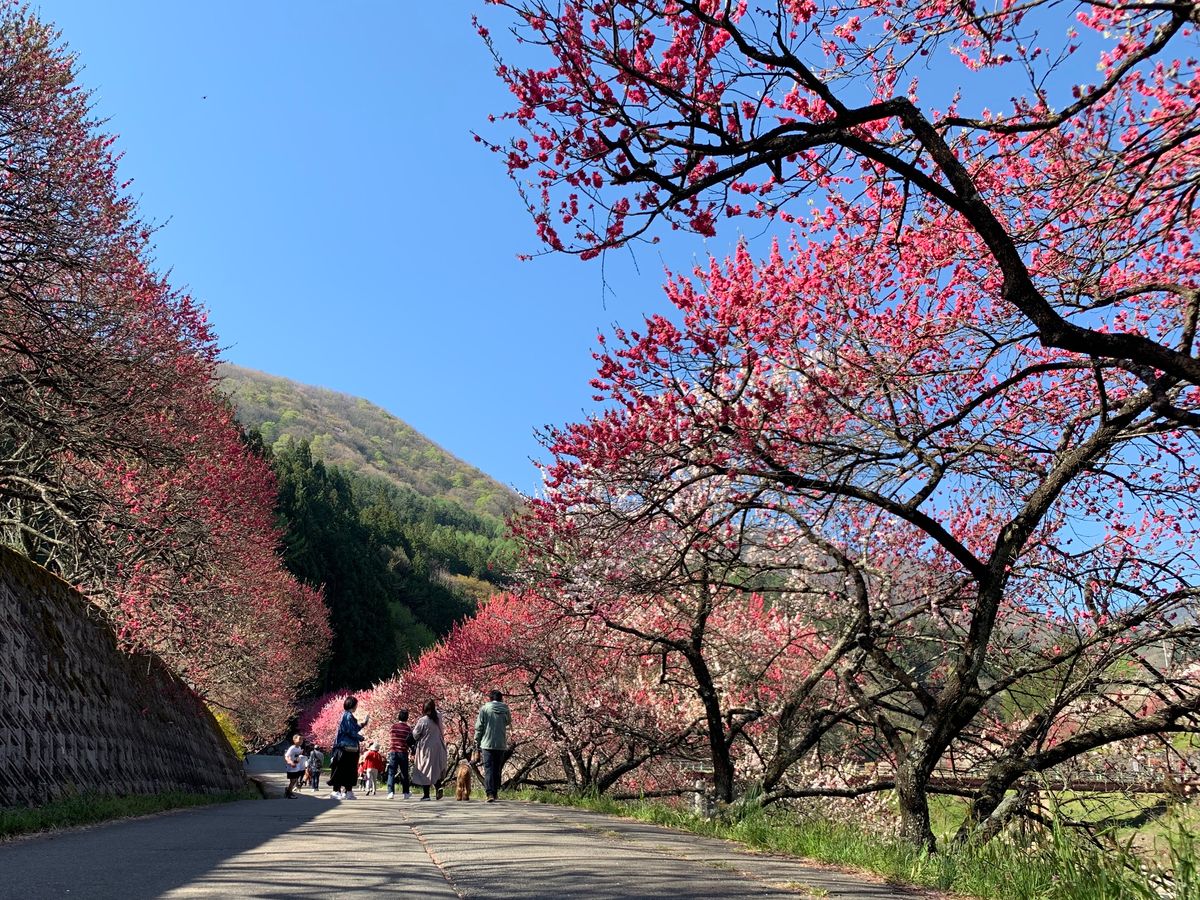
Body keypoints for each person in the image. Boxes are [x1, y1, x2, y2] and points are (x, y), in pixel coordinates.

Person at [474, 689, 512, 803]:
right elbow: (508, 721)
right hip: (500, 743)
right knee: (497, 769)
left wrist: (476, 740)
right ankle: (495, 793)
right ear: (501, 698)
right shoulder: (505, 709)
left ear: (490, 698)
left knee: (488, 769)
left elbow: (479, 726)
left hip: (487, 743)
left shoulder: (485, 709)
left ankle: (490, 793)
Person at [329, 695, 370, 800]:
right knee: (343, 769)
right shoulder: (347, 716)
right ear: (353, 704)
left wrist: (363, 724)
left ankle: (348, 791)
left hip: (349, 748)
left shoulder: (349, 716)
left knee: (349, 770)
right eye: (356, 704)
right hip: (344, 748)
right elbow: (350, 731)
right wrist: (361, 737)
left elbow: (354, 728)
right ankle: (337, 791)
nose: (357, 706)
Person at [411, 699, 448, 801]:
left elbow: (415, 735)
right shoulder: (439, 717)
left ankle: (426, 795)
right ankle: (438, 786)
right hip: (438, 746)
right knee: (435, 768)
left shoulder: (422, 720)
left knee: (424, 769)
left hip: (425, 747)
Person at [387, 708, 414, 800]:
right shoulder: (408, 728)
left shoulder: (393, 726)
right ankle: (406, 793)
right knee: (404, 773)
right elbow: (410, 740)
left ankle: (390, 792)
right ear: (407, 718)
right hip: (403, 752)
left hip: (393, 752)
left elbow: (391, 737)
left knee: (391, 772)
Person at [283, 734, 305, 799]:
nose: (301, 741)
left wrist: (299, 757)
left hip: (297, 767)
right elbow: (286, 756)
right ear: (294, 740)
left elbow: (297, 756)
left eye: (302, 739)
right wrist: (291, 762)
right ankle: (289, 793)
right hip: (291, 767)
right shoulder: (292, 748)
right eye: (299, 739)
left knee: (294, 781)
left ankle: (288, 791)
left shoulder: (299, 748)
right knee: (293, 781)